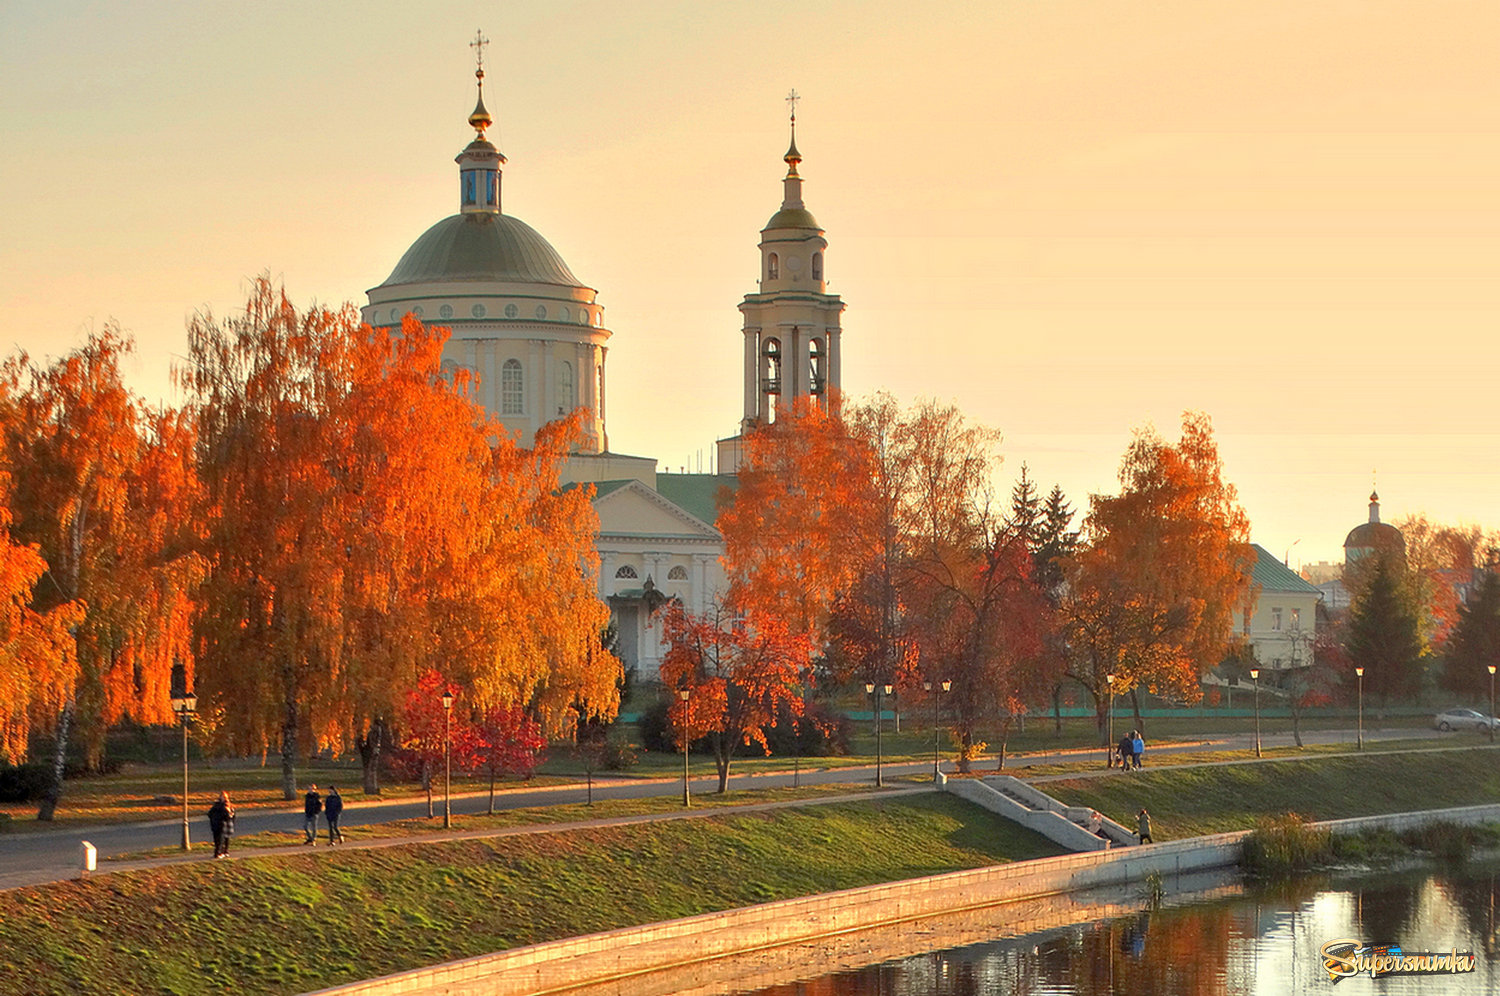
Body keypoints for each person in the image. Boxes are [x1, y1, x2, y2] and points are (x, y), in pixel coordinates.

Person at [207, 790, 235, 859]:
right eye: (223, 797)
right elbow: (210, 813)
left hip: (226, 825)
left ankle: (224, 851)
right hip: (220, 825)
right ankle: (218, 853)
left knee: (225, 839)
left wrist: (231, 816)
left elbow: (232, 814)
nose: (224, 798)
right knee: (219, 840)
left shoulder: (228, 805)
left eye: (225, 797)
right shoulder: (218, 806)